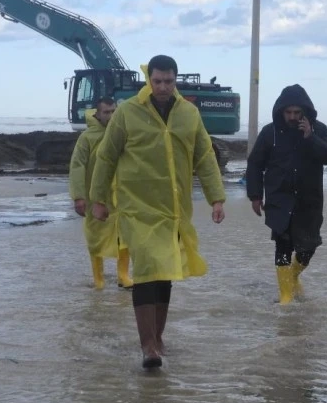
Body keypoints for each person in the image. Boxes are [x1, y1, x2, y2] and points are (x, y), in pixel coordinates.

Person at [90, 54, 226, 369]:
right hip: (136, 207)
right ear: (148, 80)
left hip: (173, 209)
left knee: (165, 273)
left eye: (169, 81)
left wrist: (216, 199)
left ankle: (158, 337)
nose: (163, 87)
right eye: (157, 81)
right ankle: (148, 345)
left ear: (175, 80)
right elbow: (107, 156)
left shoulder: (189, 114)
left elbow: (204, 157)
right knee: (147, 271)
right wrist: (98, 199)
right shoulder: (128, 114)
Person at [246, 84, 327, 305]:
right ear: (281, 111)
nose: (293, 117)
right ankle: (285, 296)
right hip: (280, 200)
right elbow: (255, 164)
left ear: (305, 112)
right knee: (283, 246)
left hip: (309, 202)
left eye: (297, 113)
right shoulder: (270, 132)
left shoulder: (318, 130)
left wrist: (310, 137)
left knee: (308, 248)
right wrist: (255, 195)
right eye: (288, 113)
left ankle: (294, 276)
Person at [69, 97, 133, 290]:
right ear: (97, 114)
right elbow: (77, 166)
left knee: (125, 234)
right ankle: (99, 278)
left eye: (114, 111)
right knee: (95, 236)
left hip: (121, 196)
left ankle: (123, 275)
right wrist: (78, 196)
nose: (111, 115)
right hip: (94, 197)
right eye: (107, 112)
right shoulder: (87, 138)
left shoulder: (123, 134)